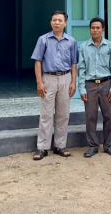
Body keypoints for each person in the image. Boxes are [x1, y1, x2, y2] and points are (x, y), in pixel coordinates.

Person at [31, 11, 78, 160]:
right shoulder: (43, 40)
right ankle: (42, 147)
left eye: (60, 20)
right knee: (46, 114)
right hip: (48, 79)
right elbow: (38, 61)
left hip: (65, 78)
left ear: (65, 23)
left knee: (63, 114)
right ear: (51, 22)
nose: (57, 22)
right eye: (54, 20)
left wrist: (73, 82)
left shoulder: (71, 41)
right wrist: (39, 82)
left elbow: (73, 63)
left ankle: (60, 145)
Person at [77, 17, 111, 157]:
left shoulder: (110, 46)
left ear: (103, 30)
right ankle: (93, 146)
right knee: (90, 117)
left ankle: (108, 145)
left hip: (106, 84)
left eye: (97, 28)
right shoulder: (83, 47)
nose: (95, 30)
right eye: (92, 28)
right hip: (90, 85)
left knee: (108, 116)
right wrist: (82, 89)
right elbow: (81, 69)